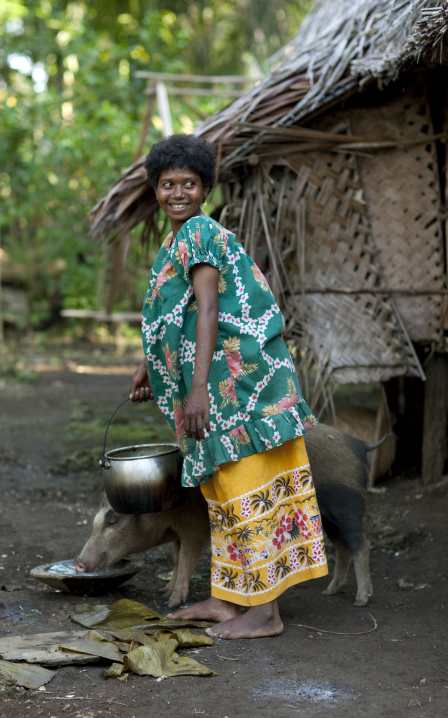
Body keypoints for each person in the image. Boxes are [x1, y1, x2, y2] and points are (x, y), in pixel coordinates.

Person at [129, 134, 328, 640]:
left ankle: (265, 613)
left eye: (189, 184)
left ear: (205, 188)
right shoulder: (179, 240)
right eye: (167, 184)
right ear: (155, 189)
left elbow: (211, 307)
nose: (178, 192)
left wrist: (197, 389)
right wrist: (147, 366)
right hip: (221, 388)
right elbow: (179, 314)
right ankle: (228, 598)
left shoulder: (197, 231)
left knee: (247, 489)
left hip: (238, 390)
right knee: (223, 493)